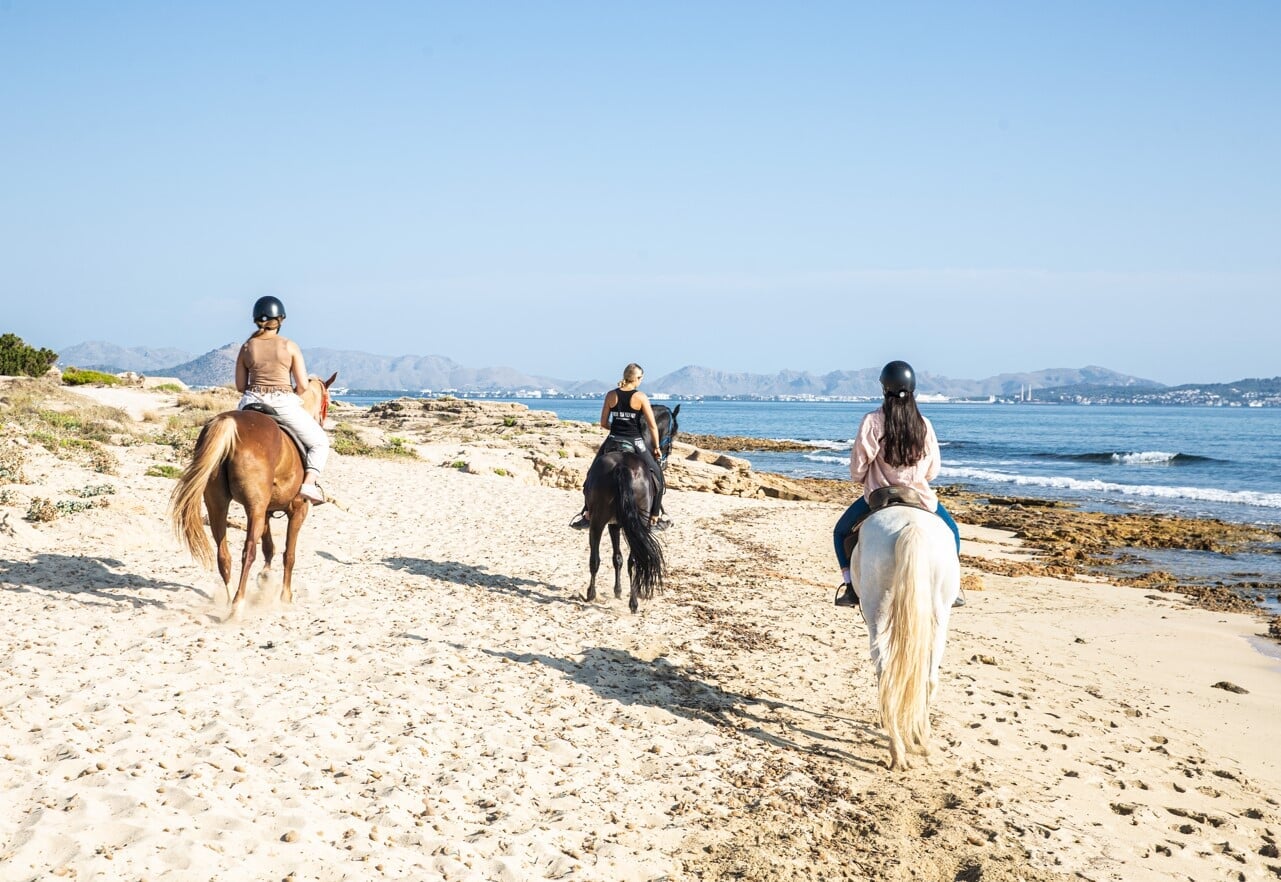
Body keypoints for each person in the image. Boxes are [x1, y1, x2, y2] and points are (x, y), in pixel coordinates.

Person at [833, 359, 961, 607]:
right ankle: (953, 590)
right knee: (952, 532)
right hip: (918, 496)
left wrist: (865, 477)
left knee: (839, 533)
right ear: (913, 390)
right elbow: (933, 470)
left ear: (884, 389)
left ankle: (849, 587)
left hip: (879, 498)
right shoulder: (924, 425)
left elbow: (858, 468)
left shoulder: (872, 421)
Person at [234, 295, 330, 504]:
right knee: (320, 442)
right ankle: (309, 485)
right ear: (281, 320)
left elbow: (241, 386)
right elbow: (304, 386)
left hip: (250, 402)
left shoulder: (246, 347)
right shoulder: (289, 346)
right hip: (281, 403)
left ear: (256, 320)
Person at [570, 362, 669, 531]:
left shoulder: (610, 395)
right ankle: (654, 516)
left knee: (592, 474)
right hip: (636, 441)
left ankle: (587, 513)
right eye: (640, 379)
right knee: (657, 475)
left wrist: (616, 429)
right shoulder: (640, 397)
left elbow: (603, 423)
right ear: (637, 378)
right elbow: (652, 426)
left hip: (613, 439)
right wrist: (657, 448)